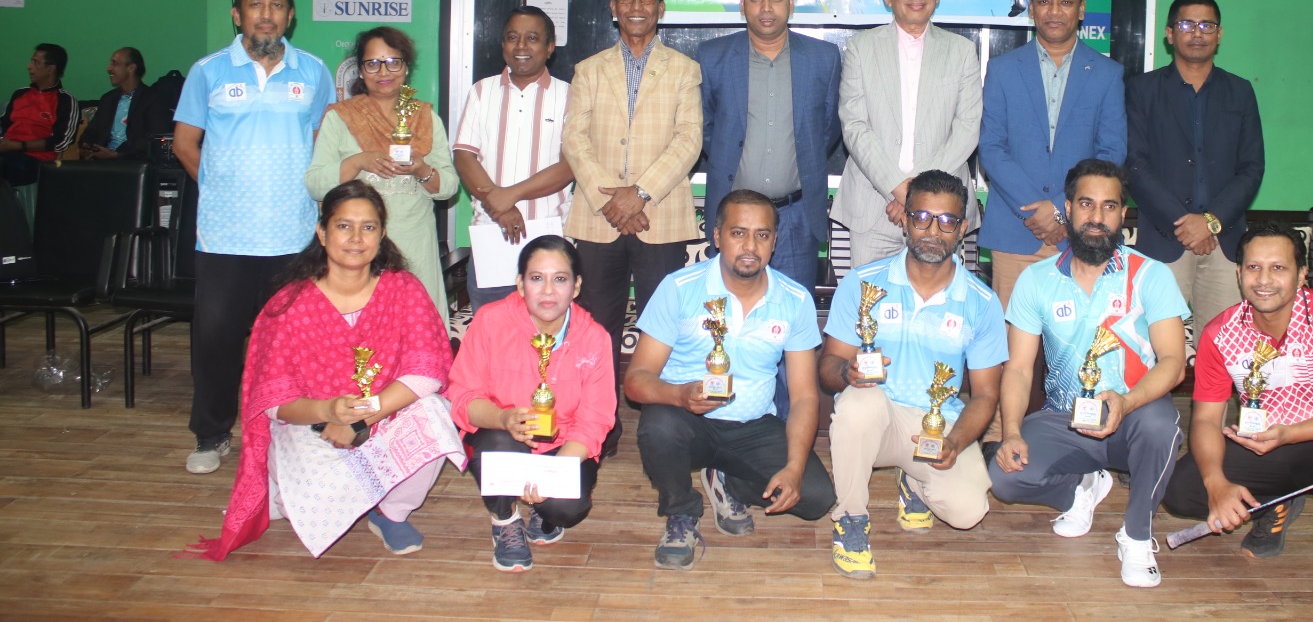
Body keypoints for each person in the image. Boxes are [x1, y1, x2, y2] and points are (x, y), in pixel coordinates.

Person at [188, 181, 465, 560]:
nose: (356, 239)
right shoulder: (290, 304)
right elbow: (273, 402)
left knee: (434, 413)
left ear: (382, 235)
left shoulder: (403, 290)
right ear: (322, 232)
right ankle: (305, 493)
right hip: (312, 427)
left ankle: (390, 512)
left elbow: (427, 372)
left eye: (368, 227)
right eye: (343, 226)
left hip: (383, 415)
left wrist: (360, 419)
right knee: (311, 506)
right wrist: (328, 411)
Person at [1163, 221, 1313, 615]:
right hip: (1265, 446)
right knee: (1182, 491)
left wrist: (1290, 433)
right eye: (1254, 267)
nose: (1264, 280)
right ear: (1239, 273)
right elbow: (1205, 421)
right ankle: (1273, 503)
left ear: (1301, 275)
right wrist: (1217, 486)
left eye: (1278, 268)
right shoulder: (1219, 333)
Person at [989, 158, 1187, 589]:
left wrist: (1128, 402)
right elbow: (1018, 368)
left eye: (1109, 206)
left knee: (1161, 425)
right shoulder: (1036, 280)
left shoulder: (1151, 276)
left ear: (1122, 214)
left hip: (1132, 416)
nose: (1097, 217)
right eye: (1086, 204)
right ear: (1068, 208)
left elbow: (1174, 362)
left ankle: (1137, 535)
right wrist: (1012, 432)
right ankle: (1079, 488)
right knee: (1005, 478)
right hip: (1064, 419)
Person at [173, 0, 336, 475]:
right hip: (225, 236)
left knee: (295, 343)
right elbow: (185, 143)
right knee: (216, 339)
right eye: (256, 5)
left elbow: (324, 145)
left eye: (277, 5)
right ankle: (212, 434)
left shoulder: (314, 72)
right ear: (237, 14)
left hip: (294, 233)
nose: (266, 15)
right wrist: (220, 188)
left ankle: (297, 432)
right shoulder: (208, 72)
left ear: (291, 15)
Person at [624, 190, 835, 570]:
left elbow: (805, 397)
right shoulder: (679, 288)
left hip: (753, 426)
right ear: (717, 236)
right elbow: (636, 380)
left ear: (774, 241)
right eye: (738, 233)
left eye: (762, 235)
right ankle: (681, 512)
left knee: (816, 498)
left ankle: (727, 479)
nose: (750, 246)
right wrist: (679, 396)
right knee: (658, 427)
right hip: (687, 420)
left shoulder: (795, 299)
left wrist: (794, 466)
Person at [820, 169, 1006, 579]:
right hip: (877, 420)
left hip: (937, 428)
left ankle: (914, 482)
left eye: (947, 221)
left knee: (968, 511)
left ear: (962, 230)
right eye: (922, 217)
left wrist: (956, 441)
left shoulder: (982, 302)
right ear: (904, 220)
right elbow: (827, 369)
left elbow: (986, 395)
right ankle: (850, 520)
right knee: (860, 403)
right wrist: (847, 372)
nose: (932, 231)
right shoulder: (863, 283)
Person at [563, 0, 703, 456]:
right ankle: (598, 429)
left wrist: (639, 193)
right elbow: (574, 140)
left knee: (662, 329)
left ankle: (661, 432)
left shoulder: (684, 69)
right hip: (597, 217)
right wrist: (613, 200)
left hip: (659, 217)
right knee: (595, 328)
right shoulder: (588, 69)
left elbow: (689, 141)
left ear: (661, 7)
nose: (637, 6)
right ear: (613, 7)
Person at [448, 234, 615, 573]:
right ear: (520, 285)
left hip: (562, 445)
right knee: (496, 443)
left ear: (576, 286)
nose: (548, 290)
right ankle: (505, 519)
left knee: (567, 508)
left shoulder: (594, 337)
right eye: (537, 278)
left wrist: (552, 475)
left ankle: (543, 512)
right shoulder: (491, 321)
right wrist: (503, 418)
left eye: (560, 279)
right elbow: (463, 396)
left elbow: (595, 420)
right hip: (503, 437)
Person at [979, 0, 1127, 310]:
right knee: (1013, 340)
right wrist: (1037, 212)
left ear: (1081, 9)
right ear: (1031, 8)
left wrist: (1062, 209)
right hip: (1016, 234)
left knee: (1081, 340)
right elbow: (991, 148)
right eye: (1045, 1)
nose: (1055, 11)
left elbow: (1111, 152)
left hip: (1083, 235)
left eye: (1065, 2)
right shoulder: (1001, 70)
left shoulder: (1107, 74)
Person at [1125, 0, 1265, 341]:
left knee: (1224, 349)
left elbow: (1252, 167)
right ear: (1170, 34)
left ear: (1220, 34)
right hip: (1164, 239)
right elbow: (1135, 164)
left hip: (1225, 242)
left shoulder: (1240, 92)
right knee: (1154, 346)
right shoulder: (1141, 90)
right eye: (1187, 24)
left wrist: (1211, 222)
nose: (1197, 33)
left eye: (1207, 25)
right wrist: (1184, 224)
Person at [698, 0, 842, 290]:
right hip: (734, 214)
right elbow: (704, 128)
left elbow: (828, 128)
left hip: (796, 217)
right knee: (727, 311)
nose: (766, 8)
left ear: (791, 2)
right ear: (742, 4)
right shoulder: (713, 57)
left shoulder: (823, 58)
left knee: (793, 311)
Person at [835, 0, 982, 268]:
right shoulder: (861, 48)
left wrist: (916, 196)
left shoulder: (962, 51)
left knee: (940, 298)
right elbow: (855, 126)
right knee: (871, 297)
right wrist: (899, 191)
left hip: (942, 215)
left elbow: (967, 129)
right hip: (874, 209)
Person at [305, 26, 459, 321]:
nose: (383, 72)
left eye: (393, 62)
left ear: (406, 67)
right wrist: (358, 161)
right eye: (373, 63)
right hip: (357, 248)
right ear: (361, 70)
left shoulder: (425, 117)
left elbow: (449, 187)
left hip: (414, 245)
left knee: (416, 329)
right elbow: (315, 184)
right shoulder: (340, 118)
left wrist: (421, 169)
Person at [452, 6, 574, 308]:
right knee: (493, 331)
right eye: (512, 37)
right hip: (491, 235)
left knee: (547, 332)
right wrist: (500, 208)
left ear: (549, 47)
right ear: (503, 44)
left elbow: (569, 166)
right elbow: (464, 156)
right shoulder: (482, 91)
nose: (521, 46)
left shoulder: (570, 95)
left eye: (532, 38)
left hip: (550, 238)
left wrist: (510, 195)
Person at [0, 43, 78, 199]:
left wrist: (18, 146)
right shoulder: (20, 94)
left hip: (35, 160)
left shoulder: (65, 100)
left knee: (9, 165)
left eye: (36, 62)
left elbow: (61, 141)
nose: (29, 66)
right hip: (7, 152)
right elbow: (4, 125)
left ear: (51, 68)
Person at [80, 47, 168, 160]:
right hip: (103, 160)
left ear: (131, 68)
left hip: (134, 161)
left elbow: (153, 136)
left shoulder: (152, 98)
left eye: (114, 63)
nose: (109, 68)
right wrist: (86, 145)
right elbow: (92, 130)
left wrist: (118, 154)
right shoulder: (108, 99)